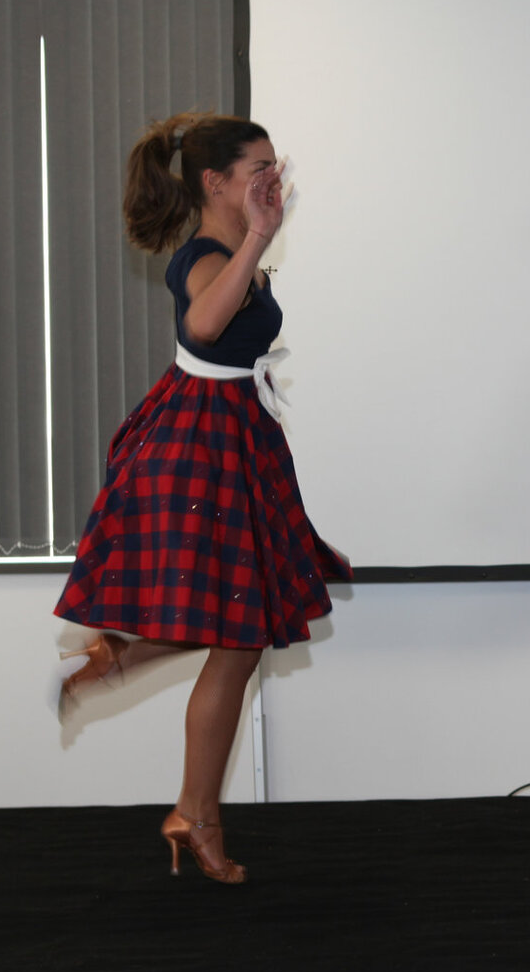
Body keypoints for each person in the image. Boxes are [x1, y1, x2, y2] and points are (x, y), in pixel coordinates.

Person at [50, 112, 349, 885]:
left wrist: (260, 237)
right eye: (258, 169)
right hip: (201, 447)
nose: (272, 178)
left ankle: (119, 664)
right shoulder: (205, 256)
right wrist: (259, 236)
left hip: (235, 436)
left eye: (275, 164)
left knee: (243, 617)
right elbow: (205, 324)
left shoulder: (237, 249)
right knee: (239, 632)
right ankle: (195, 813)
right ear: (216, 183)